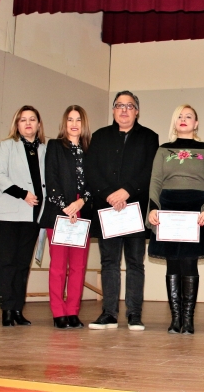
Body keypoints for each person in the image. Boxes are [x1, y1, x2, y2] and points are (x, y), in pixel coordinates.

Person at [86, 91, 159, 331]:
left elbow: (150, 172)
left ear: (137, 111)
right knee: (109, 262)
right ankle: (108, 313)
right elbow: (91, 171)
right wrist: (109, 194)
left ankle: (134, 314)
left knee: (135, 263)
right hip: (107, 209)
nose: (124, 110)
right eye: (119, 105)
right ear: (114, 110)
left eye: (130, 106)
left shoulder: (149, 138)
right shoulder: (99, 136)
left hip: (135, 208)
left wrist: (126, 191)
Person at [146, 105, 204, 334]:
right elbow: (155, 181)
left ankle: (188, 320)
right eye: (180, 116)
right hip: (168, 209)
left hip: (196, 210)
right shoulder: (163, 150)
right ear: (174, 122)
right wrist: (153, 209)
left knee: (189, 262)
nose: (184, 119)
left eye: (189, 116)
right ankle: (175, 319)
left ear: (196, 123)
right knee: (172, 262)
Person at [39, 105, 93, 329]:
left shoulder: (91, 149)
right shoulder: (54, 146)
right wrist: (66, 207)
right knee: (59, 266)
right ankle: (58, 312)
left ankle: (72, 311)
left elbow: (95, 182)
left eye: (78, 120)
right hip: (59, 213)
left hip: (83, 211)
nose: (74, 124)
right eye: (70, 119)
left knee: (79, 267)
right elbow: (50, 180)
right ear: (64, 123)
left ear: (84, 124)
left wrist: (81, 202)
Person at [0, 105, 46, 327]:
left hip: (34, 215)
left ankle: (17, 309)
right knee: (8, 263)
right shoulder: (6, 146)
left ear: (38, 124)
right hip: (8, 214)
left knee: (23, 264)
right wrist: (23, 194)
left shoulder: (45, 149)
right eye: (23, 120)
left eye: (32, 119)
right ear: (17, 124)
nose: (27, 123)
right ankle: (6, 310)